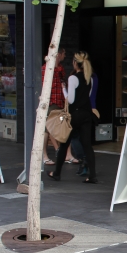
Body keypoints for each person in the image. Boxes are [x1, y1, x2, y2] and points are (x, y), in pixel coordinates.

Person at [48, 51, 98, 184]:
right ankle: (92, 175)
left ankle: (57, 173)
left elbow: (70, 100)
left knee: (64, 144)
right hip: (87, 114)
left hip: (74, 114)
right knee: (87, 145)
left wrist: (64, 89)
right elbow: (87, 96)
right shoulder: (90, 78)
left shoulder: (73, 78)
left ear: (75, 63)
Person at [41, 48, 79, 165]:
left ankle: (65, 153)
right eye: (63, 54)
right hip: (51, 101)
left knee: (63, 125)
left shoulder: (60, 69)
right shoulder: (46, 68)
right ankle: (47, 154)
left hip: (60, 101)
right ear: (59, 54)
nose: (65, 56)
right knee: (48, 128)